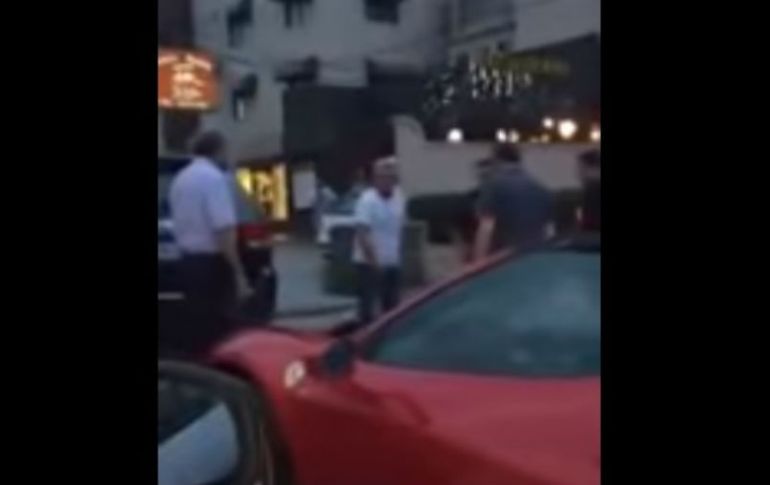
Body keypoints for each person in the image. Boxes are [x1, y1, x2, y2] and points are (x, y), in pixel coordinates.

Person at [169, 131, 253, 357]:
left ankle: (196, 365)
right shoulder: (214, 179)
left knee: (196, 323)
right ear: (219, 150)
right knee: (221, 326)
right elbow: (223, 230)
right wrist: (238, 272)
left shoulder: (180, 179)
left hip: (187, 261)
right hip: (212, 264)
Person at [473, 143, 553, 260]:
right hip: (536, 255)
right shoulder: (540, 188)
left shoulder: (494, 185)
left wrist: (479, 259)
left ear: (496, 160)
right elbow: (548, 229)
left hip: (506, 257)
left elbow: (486, 227)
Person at [353, 158, 406, 325]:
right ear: (375, 179)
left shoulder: (399, 197)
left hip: (392, 262)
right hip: (369, 264)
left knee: (392, 308)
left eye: (390, 176)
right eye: (382, 176)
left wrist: (399, 256)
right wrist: (375, 263)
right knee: (368, 308)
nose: (386, 180)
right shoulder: (367, 201)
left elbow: (399, 228)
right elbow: (363, 233)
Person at [577, 149, 601, 232]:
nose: (579, 174)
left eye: (580, 168)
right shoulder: (591, 189)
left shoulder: (592, 190)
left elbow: (588, 223)